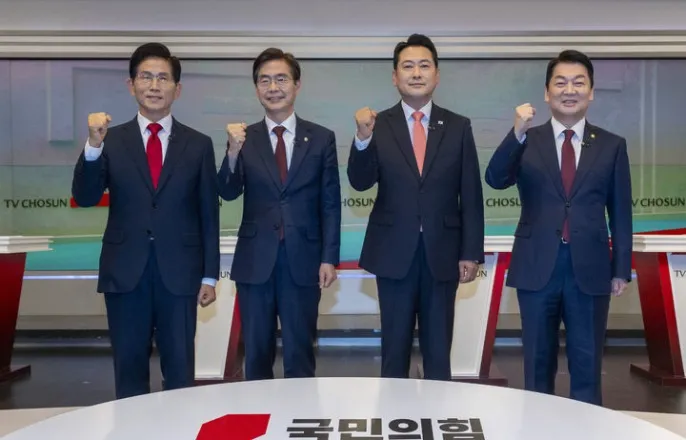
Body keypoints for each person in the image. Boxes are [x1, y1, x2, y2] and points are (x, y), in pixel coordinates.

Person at [71, 42, 220, 399]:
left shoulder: (198, 144)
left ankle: (181, 426)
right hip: (125, 272)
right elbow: (86, 196)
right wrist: (92, 146)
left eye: (163, 78)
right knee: (129, 370)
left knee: (180, 371)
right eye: (146, 77)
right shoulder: (109, 140)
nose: (154, 86)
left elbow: (208, 213)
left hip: (180, 273)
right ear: (131, 85)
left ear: (177, 89)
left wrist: (209, 275)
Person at [484, 49, 632, 405]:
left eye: (578, 83)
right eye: (561, 82)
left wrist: (621, 269)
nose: (569, 90)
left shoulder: (612, 145)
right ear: (547, 92)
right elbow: (495, 178)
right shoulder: (527, 139)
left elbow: (620, 211)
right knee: (537, 363)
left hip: (590, 269)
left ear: (591, 92)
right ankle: (538, 426)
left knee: (587, 363)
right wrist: (516, 132)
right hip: (537, 266)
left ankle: (587, 426)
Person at [347, 34, 485, 380]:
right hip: (394, 253)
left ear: (437, 75)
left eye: (424, 65)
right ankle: (393, 412)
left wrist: (471, 252)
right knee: (394, 353)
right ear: (395, 77)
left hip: (443, 253)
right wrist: (362, 138)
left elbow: (470, 194)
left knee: (438, 353)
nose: (417, 73)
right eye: (408, 66)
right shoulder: (378, 124)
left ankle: (438, 411)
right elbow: (360, 182)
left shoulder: (458, 126)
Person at [217, 48, 341, 380]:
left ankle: (300, 410)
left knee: (300, 354)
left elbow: (330, 203)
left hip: (303, 259)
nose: (273, 87)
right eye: (265, 80)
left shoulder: (321, 138)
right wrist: (232, 152)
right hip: (255, 261)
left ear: (297, 85)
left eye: (281, 79)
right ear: (256, 88)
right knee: (257, 355)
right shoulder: (244, 138)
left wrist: (329, 258)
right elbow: (227, 191)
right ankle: (260, 411)